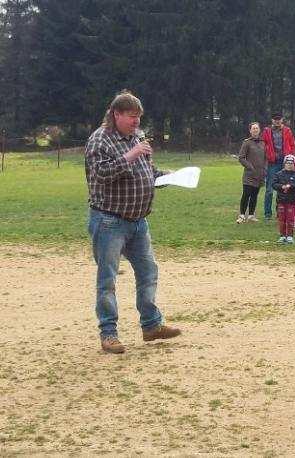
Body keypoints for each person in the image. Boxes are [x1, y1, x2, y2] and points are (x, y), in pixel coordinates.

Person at [85, 90, 181, 354]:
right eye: (131, 116)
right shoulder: (100, 140)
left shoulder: (137, 138)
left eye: (139, 116)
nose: (137, 121)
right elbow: (102, 174)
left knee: (148, 272)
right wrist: (130, 155)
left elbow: (147, 172)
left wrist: (169, 177)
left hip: (139, 221)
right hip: (109, 221)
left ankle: (151, 325)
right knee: (108, 279)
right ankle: (108, 334)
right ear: (116, 114)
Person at [262, 113, 295, 221]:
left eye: (279, 119)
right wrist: (267, 155)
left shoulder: (287, 131)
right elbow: (263, 145)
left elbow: (292, 145)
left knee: (282, 188)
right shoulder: (267, 131)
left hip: (284, 162)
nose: (277, 121)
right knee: (269, 190)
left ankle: (280, 212)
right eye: (275, 119)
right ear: (272, 120)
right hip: (272, 162)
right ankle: (267, 214)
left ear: (282, 120)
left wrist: (291, 157)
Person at [237, 122, 266, 223]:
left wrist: (264, 169)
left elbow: (265, 158)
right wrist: (249, 167)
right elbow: (241, 158)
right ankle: (241, 215)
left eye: (257, 128)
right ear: (250, 130)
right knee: (246, 194)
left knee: (254, 195)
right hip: (249, 174)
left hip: (260, 174)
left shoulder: (263, 142)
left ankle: (251, 215)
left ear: (259, 130)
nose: (255, 130)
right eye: (253, 128)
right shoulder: (247, 142)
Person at [272, 154, 295, 243]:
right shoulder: (278, 174)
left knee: (290, 219)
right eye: (287, 163)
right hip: (281, 201)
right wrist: (282, 187)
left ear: (294, 164)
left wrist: (291, 186)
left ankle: (290, 235)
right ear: (284, 164)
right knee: (282, 219)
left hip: (291, 201)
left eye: (291, 163)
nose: (289, 164)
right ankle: (282, 235)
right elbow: (274, 184)